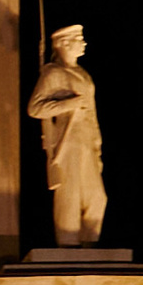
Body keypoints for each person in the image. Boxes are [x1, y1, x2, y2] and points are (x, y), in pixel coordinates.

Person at [26, 20, 106, 243]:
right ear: (64, 44)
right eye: (78, 40)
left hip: (86, 140)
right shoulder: (53, 73)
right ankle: (68, 244)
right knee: (69, 195)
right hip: (67, 140)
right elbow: (35, 108)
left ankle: (90, 243)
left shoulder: (83, 74)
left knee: (97, 197)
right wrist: (69, 105)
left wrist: (96, 144)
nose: (84, 44)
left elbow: (92, 112)